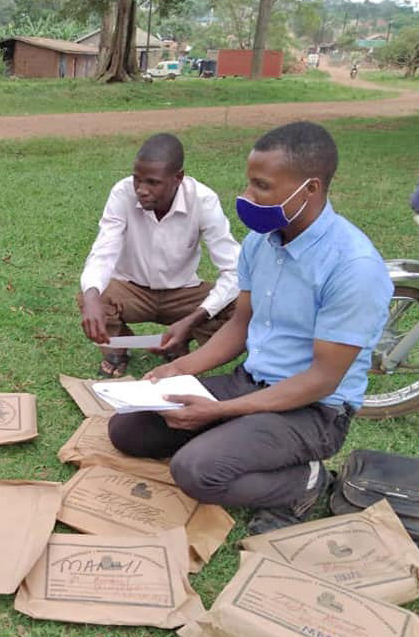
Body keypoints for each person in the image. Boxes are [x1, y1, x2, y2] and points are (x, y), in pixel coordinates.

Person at [107, 121, 393, 535]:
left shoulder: (353, 268)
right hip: (250, 382)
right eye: (249, 183)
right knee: (129, 429)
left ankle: (306, 481)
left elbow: (322, 380)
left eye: (261, 186)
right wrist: (180, 368)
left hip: (314, 410)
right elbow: (239, 327)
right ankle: (238, 437)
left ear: (309, 189)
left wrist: (220, 411)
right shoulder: (261, 242)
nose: (246, 196)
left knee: (196, 472)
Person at [79, 133, 240, 377]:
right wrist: (91, 297)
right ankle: (118, 349)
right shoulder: (123, 193)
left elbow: (234, 270)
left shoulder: (203, 201)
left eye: (153, 182)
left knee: (240, 305)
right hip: (132, 290)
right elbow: (103, 251)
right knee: (91, 293)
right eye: (137, 180)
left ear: (178, 178)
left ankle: (185, 348)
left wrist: (192, 320)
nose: (141, 190)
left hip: (183, 294)